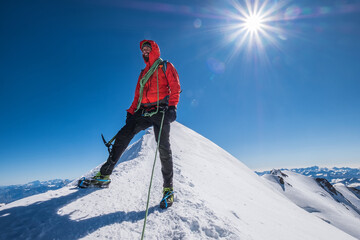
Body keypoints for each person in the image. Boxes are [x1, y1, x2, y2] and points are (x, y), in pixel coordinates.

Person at [93, 40, 180, 208]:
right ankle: (104, 175)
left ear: (154, 49)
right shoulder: (143, 74)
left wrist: (172, 107)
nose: (145, 51)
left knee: (163, 147)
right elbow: (137, 96)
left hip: (161, 110)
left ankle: (168, 189)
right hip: (143, 111)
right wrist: (131, 111)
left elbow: (175, 86)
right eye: (143, 50)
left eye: (148, 48)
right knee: (123, 135)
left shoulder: (165, 66)